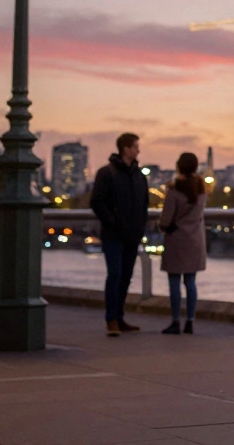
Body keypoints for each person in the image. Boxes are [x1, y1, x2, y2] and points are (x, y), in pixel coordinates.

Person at [90, 132, 151, 337]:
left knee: (126, 276)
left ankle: (120, 317)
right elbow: (96, 202)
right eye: (135, 146)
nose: (138, 150)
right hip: (113, 235)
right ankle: (111, 319)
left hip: (132, 236)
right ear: (126, 149)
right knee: (115, 275)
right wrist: (113, 223)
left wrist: (140, 228)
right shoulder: (106, 173)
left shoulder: (139, 176)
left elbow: (144, 205)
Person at [159, 152, 208, 335]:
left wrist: (163, 227)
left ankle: (175, 322)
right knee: (190, 281)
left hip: (176, 239)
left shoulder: (174, 190)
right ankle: (190, 321)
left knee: (174, 281)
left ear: (178, 166)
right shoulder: (202, 190)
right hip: (195, 240)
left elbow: (166, 219)